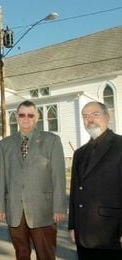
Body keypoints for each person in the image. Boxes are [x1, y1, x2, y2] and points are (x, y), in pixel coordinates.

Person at [0, 100, 66, 260]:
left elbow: (58, 176)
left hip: (43, 211)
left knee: (46, 254)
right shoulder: (5, 144)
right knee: (22, 254)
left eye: (30, 115)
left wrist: (59, 207)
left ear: (37, 117)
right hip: (15, 211)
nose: (26, 118)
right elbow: (0, 178)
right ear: (16, 117)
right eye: (22, 115)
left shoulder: (51, 140)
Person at [68, 101, 122, 260]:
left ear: (107, 116)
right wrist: (73, 226)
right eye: (85, 116)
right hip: (83, 235)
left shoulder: (120, 145)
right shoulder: (79, 153)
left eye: (95, 114)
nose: (89, 119)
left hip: (112, 234)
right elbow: (75, 192)